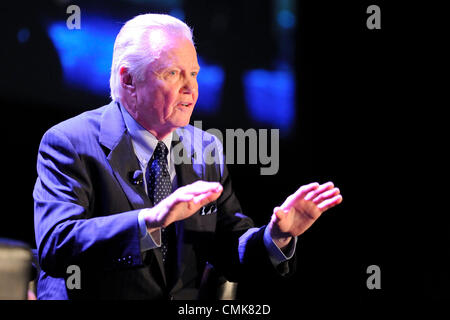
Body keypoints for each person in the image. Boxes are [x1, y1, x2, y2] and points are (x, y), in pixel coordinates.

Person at [33, 13, 342, 300]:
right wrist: (151, 220)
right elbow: (57, 245)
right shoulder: (70, 142)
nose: (191, 89)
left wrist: (276, 236)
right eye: (173, 73)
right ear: (129, 80)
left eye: (194, 73)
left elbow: (230, 251)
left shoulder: (205, 149)